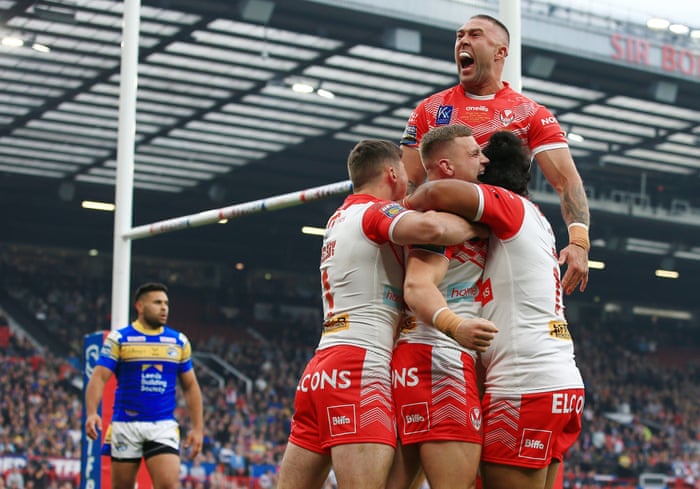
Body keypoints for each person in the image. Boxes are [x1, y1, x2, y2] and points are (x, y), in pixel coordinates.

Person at [276, 139, 493, 489]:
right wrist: (480, 225)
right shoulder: (373, 211)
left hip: (320, 368)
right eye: (406, 172)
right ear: (392, 173)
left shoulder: (338, 217)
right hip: (360, 365)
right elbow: (432, 230)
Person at [403, 127, 585, 489]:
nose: (479, 161)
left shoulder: (505, 204)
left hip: (525, 385)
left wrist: (398, 205)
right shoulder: (536, 220)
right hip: (559, 379)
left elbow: (434, 192)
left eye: (480, 158)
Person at [400, 13, 590, 296]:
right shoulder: (429, 109)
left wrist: (579, 242)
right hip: (445, 247)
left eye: (475, 35)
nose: (463, 40)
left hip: (503, 247)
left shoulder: (530, 113)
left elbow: (567, 181)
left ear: (501, 52)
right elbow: (407, 182)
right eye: (459, 35)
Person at [389, 125, 498, 489]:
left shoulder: (444, 212)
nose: (484, 160)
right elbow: (417, 286)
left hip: (422, 355)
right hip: (438, 357)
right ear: (447, 168)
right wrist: (455, 326)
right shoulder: (441, 214)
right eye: (474, 154)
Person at [85, 282, 204, 489]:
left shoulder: (178, 342)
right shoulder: (120, 339)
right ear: (139, 306)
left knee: (168, 484)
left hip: (162, 425)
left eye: (166, 303)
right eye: (157, 303)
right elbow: (98, 378)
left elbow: (191, 386)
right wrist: (92, 412)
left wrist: (198, 428)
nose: (164, 308)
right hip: (126, 425)